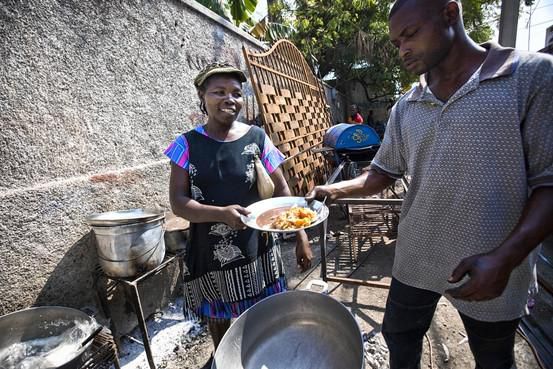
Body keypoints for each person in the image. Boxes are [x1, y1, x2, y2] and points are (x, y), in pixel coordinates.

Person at [307, 0, 553, 368]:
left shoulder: (530, 77)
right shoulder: (407, 105)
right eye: (396, 43)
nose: (403, 48)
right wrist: (332, 190)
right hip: (417, 256)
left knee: (492, 356)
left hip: (492, 263)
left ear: (449, 14)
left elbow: (549, 182)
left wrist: (505, 258)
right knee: (400, 336)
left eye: (410, 34)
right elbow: (383, 172)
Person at [164, 63, 313, 362]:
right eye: (218, 92)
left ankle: (258, 358)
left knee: (262, 317)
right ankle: (224, 360)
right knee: (219, 320)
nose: (229, 99)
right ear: (202, 96)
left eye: (236, 92)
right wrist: (221, 214)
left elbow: (283, 191)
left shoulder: (258, 138)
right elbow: (178, 202)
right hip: (211, 255)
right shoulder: (186, 145)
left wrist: (301, 235)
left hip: (258, 252)